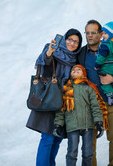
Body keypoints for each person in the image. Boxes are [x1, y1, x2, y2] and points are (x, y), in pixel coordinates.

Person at [26, 28, 83, 166]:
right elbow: (43, 64)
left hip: (64, 103)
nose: (72, 43)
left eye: (76, 41)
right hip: (49, 98)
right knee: (47, 138)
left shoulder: (76, 59)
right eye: (70, 39)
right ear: (64, 39)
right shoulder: (53, 50)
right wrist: (49, 53)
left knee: (57, 139)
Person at [78, 20, 113, 166]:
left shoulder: (112, 48)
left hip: (111, 101)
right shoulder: (81, 53)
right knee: (89, 143)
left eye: (93, 32)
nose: (89, 35)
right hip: (90, 105)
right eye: (87, 32)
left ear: (101, 34)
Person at [53, 65, 105, 166]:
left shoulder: (89, 88)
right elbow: (61, 110)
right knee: (72, 153)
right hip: (72, 125)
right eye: (73, 70)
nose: (76, 71)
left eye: (79, 69)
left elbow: (95, 106)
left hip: (88, 125)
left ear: (84, 73)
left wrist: (98, 121)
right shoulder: (66, 89)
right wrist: (58, 124)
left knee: (88, 153)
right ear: (70, 74)